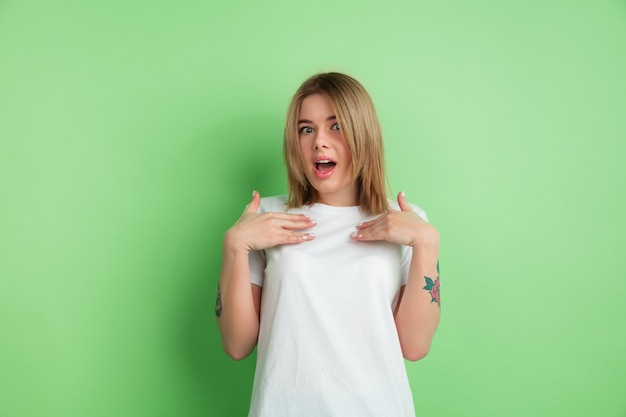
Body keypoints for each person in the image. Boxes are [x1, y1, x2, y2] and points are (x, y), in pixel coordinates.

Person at [215, 72, 440, 417]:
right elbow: (236, 344)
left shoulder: (405, 222)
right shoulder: (269, 217)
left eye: (336, 126)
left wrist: (426, 241)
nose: (319, 141)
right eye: (306, 129)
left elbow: (415, 345)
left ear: (362, 134)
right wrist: (234, 246)